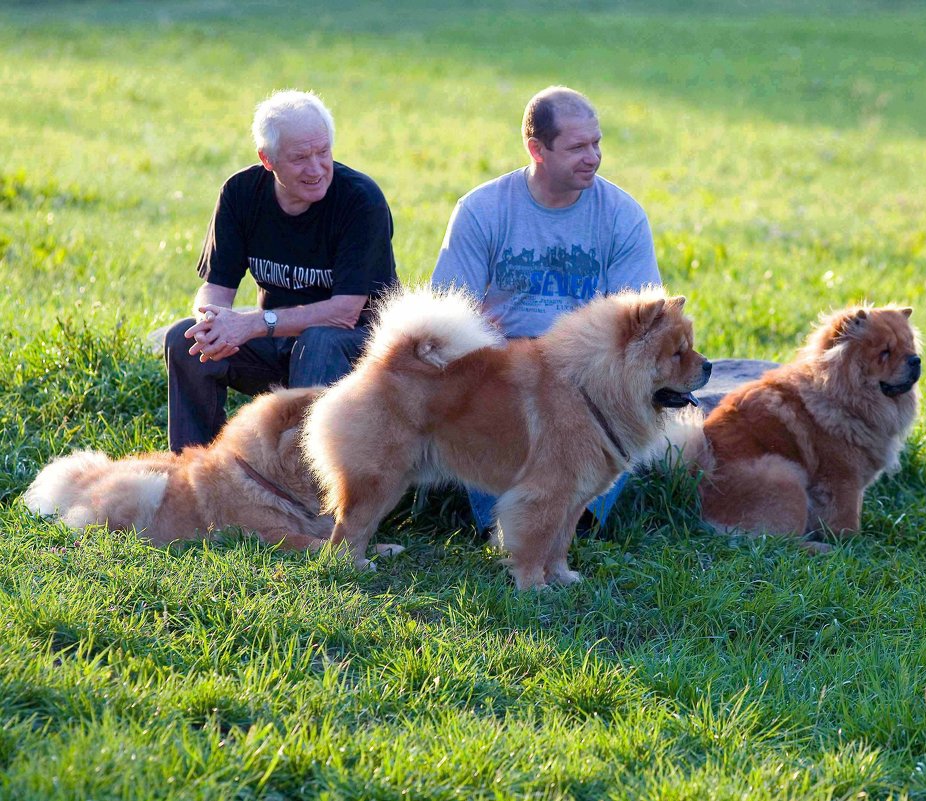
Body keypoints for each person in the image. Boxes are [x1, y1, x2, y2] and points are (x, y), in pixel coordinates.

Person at [431, 85, 661, 530]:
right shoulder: (482, 210)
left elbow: (642, 328)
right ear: (536, 149)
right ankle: (509, 518)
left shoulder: (622, 215)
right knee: (496, 418)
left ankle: (572, 516)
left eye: (596, 143)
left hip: (587, 373)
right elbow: (446, 319)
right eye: (577, 147)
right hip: (505, 368)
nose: (592, 156)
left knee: (610, 422)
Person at [164, 90, 397, 453]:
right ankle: (194, 476)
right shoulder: (241, 193)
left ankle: (303, 483)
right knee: (185, 339)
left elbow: (345, 313)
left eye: (324, 152)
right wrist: (212, 323)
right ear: (267, 159)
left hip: (360, 353)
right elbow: (216, 287)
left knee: (317, 340)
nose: (317, 168)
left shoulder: (360, 200)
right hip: (280, 342)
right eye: (301, 158)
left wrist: (252, 324)